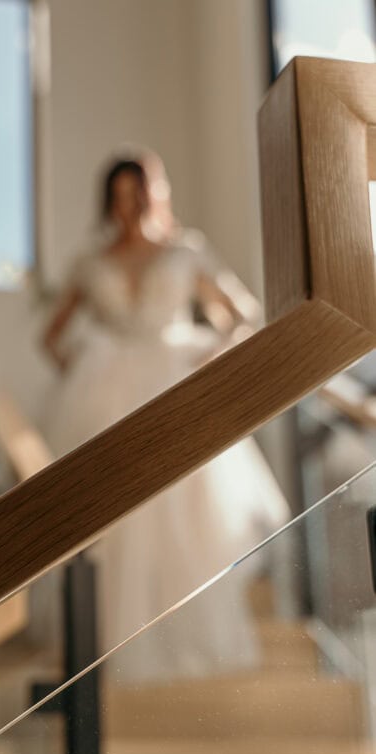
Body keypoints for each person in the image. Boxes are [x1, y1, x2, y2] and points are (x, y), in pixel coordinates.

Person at [38, 152, 289, 682]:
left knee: (182, 514)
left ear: (156, 194)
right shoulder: (91, 260)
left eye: (140, 193)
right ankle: (106, 646)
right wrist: (81, 375)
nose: (131, 205)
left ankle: (182, 639)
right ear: (109, 200)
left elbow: (241, 315)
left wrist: (204, 361)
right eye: (121, 195)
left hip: (173, 388)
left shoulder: (186, 250)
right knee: (112, 518)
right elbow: (52, 336)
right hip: (106, 399)